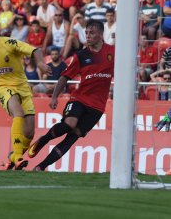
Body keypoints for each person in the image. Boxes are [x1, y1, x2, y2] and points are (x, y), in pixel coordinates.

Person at [28, 19, 114, 171]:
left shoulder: (112, 53)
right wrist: (54, 97)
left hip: (98, 106)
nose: (87, 36)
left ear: (101, 34)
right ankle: (44, 140)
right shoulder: (81, 55)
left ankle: (41, 166)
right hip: (79, 98)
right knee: (70, 124)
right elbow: (64, 77)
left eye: (91, 33)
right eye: (86, 33)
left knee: (74, 135)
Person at [0, 18, 51, 170]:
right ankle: (17, 158)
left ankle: (13, 156)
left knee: (29, 133)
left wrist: (40, 63)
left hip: (22, 87)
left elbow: (35, 50)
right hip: (2, 87)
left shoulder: (9, 43)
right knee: (18, 112)